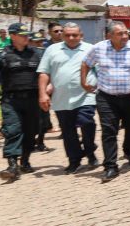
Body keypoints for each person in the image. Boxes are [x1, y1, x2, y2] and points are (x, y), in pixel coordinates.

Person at [83, 21, 130, 182]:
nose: (125, 36)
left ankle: (129, 150)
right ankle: (111, 166)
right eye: (120, 34)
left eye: (126, 33)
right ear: (109, 35)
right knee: (108, 131)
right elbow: (85, 63)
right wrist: (83, 82)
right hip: (107, 97)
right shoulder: (98, 48)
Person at [37, 22, 98, 174]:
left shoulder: (90, 49)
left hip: (86, 95)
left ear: (81, 35)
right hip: (61, 98)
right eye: (67, 35)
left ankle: (90, 149)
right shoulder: (52, 50)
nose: (71, 37)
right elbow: (44, 72)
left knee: (87, 122)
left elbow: (101, 69)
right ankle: (74, 160)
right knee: (68, 131)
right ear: (62, 35)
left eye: (75, 35)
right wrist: (43, 93)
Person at [0, 23, 43, 181]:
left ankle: (25, 161)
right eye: (23, 35)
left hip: (32, 100)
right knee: (13, 130)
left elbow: (45, 74)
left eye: (27, 34)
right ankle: (12, 165)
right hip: (11, 100)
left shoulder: (37, 54)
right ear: (12, 36)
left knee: (31, 132)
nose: (27, 37)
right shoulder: (3, 55)